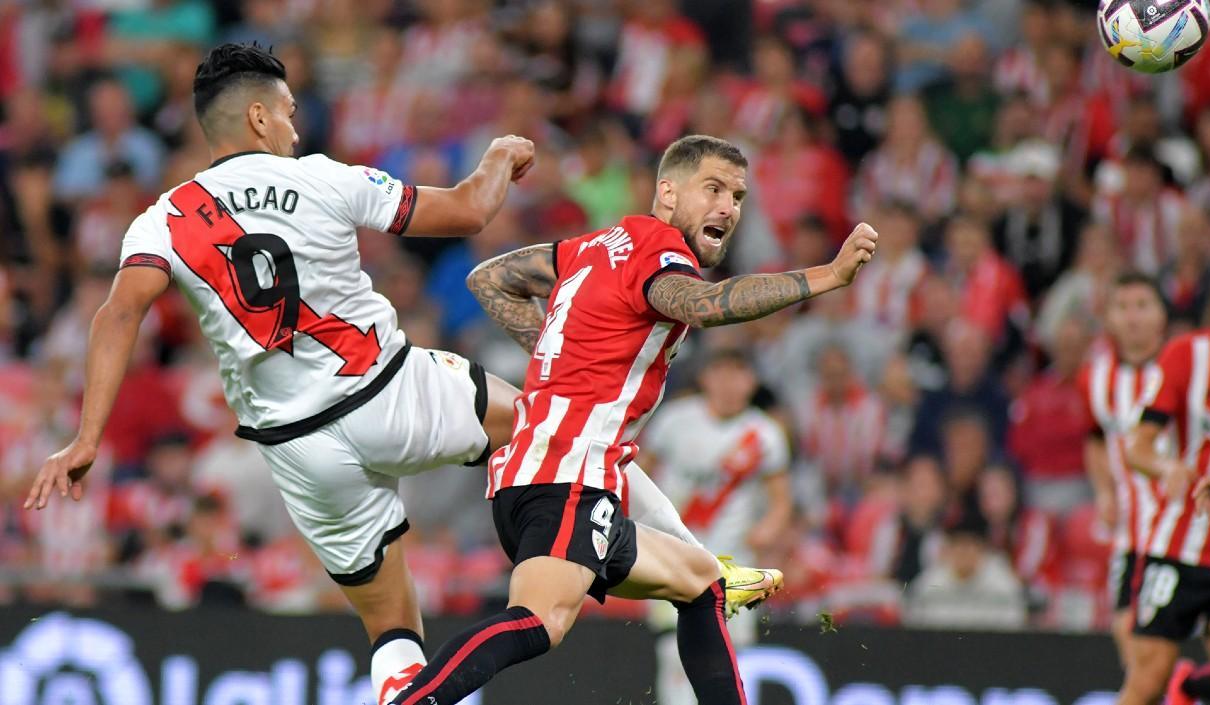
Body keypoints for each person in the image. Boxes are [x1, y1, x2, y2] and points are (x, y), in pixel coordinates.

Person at [23, 44, 757, 705]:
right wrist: (500, 156)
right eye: (285, 112)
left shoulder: (160, 220)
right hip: (388, 391)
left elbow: (118, 315)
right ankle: (690, 552)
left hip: (298, 447)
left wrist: (85, 435)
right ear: (256, 116)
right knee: (551, 415)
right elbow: (469, 211)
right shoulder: (321, 179)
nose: (295, 127)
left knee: (390, 621)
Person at [385, 135, 878, 705]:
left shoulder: (597, 246)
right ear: (667, 193)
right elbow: (702, 305)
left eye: (738, 196)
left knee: (702, 584)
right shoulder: (661, 252)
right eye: (713, 189)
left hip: (543, 476)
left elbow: (490, 279)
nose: (728, 207)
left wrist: (559, 352)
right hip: (569, 480)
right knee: (541, 621)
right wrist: (828, 277)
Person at [1119, 244, 1210, 705]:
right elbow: (1137, 444)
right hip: (1178, 543)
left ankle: (1191, 689)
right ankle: (1174, 687)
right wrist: (1170, 468)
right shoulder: (1186, 355)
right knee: (1145, 683)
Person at [637, 347, 793, 705]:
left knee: (732, 655)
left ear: (752, 381)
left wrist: (768, 529)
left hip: (733, 563)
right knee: (673, 648)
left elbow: (780, 500)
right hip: (674, 554)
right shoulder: (674, 420)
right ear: (705, 378)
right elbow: (639, 470)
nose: (728, 383)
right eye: (720, 373)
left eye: (738, 373)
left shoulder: (764, 434)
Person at [1079, 271, 1168, 671]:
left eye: (1142, 306)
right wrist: (1103, 492)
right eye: (1123, 307)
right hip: (1131, 534)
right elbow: (1095, 438)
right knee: (1130, 649)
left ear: (1161, 315)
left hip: (1185, 533)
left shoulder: (1183, 368)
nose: (1132, 318)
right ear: (1109, 317)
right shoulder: (1097, 378)